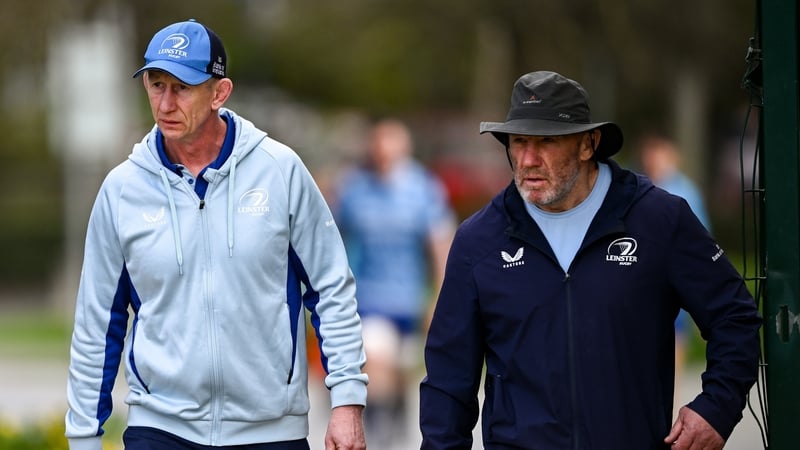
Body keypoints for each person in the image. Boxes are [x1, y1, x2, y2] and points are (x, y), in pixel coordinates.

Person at [64, 19, 367, 450]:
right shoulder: (121, 190)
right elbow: (97, 324)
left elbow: (331, 289)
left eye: (182, 87)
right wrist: (83, 438)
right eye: (156, 84)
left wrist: (347, 402)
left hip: (270, 432)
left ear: (219, 93)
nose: (165, 102)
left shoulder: (280, 171)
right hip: (160, 430)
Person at [419, 71, 761, 450]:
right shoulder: (478, 241)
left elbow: (735, 318)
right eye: (518, 142)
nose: (528, 159)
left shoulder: (659, 220)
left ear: (588, 144)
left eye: (546, 141)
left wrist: (717, 407)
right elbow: (448, 381)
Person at [333, 119, 456, 448]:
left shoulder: (423, 188)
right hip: (369, 298)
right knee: (376, 363)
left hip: (409, 300)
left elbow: (439, 244)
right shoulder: (355, 188)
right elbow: (332, 237)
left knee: (402, 374)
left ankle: (395, 420)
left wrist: (439, 297)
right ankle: (378, 432)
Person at [637, 133, 713, 405]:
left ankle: (669, 400)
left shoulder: (686, 191)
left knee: (673, 339)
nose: (653, 159)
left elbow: (701, 240)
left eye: (658, 153)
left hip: (672, 279)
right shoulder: (641, 186)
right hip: (642, 279)